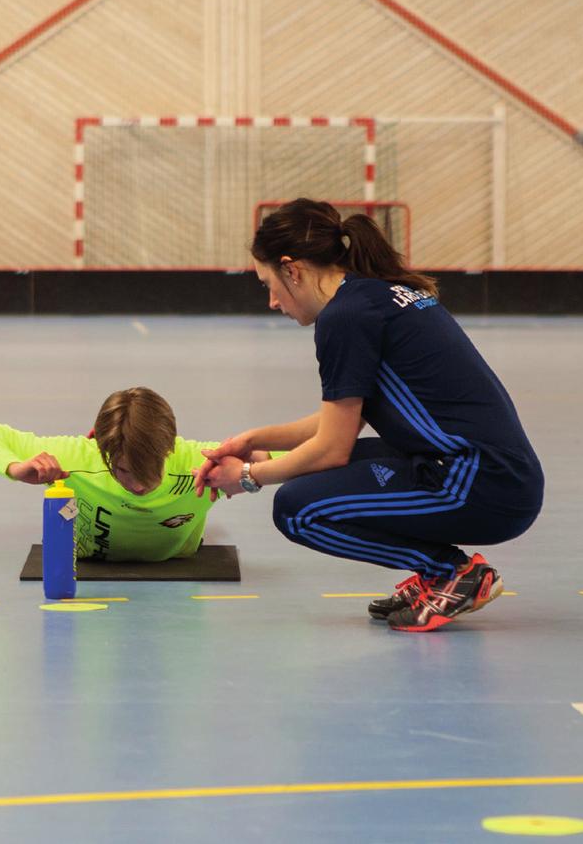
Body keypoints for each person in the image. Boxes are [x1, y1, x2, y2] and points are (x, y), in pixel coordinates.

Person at [194, 199, 544, 632]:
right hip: (488, 472)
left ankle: (450, 573)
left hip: (481, 485)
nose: (271, 301)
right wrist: (254, 442)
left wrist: (247, 478)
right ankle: (441, 573)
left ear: (293, 269)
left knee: (297, 509)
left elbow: (332, 449)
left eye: (269, 283)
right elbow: (339, 424)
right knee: (308, 479)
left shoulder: (345, 317)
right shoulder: (370, 295)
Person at [0, 386, 273, 564]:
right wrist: (15, 468)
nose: (138, 484)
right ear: (99, 447)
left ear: (170, 447)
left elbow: (307, 452)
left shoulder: (200, 462)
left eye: (149, 469)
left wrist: (255, 468)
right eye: (124, 471)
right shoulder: (76, 456)